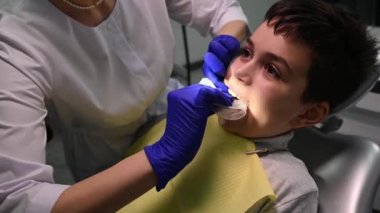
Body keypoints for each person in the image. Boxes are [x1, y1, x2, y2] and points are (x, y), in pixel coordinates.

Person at [119, 0, 380, 212]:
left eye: (271, 70)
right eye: (246, 52)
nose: (240, 71)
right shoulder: (184, 124)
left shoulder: (288, 190)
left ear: (310, 113)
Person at [0, 0, 249, 212]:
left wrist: (226, 43)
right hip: (109, 164)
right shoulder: (15, 41)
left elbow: (222, 10)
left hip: (172, 107)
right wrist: (162, 156)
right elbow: (21, 198)